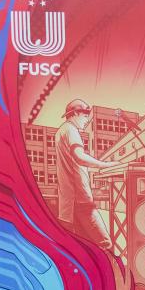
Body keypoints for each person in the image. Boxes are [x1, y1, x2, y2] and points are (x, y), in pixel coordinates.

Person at [54, 98, 119, 250]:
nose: (86, 121)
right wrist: (105, 165)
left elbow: (73, 163)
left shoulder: (60, 131)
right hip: (80, 199)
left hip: (67, 204)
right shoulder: (71, 130)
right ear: (75, 113)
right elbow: (79, 157)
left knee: (76, 247)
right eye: (85, 116)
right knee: (105, 244)